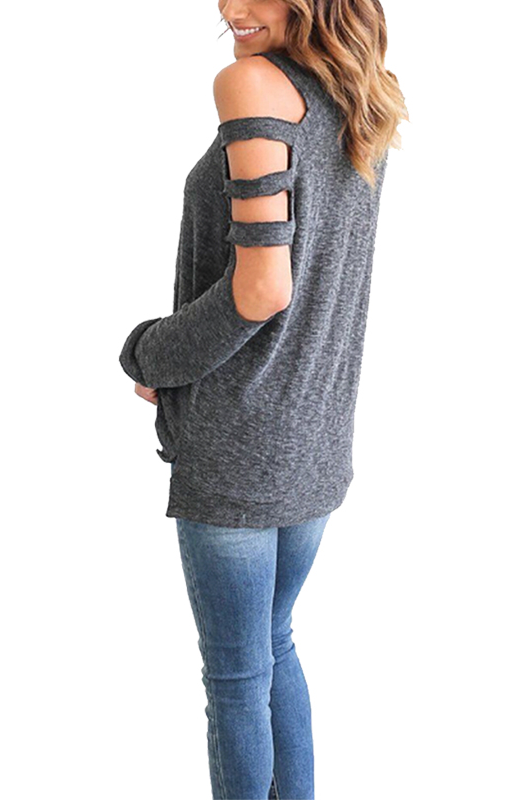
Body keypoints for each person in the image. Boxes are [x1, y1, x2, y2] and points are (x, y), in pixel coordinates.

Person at [119, 1, 408, 797]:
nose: (231, 9)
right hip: (316, 439)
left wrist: (150, 352)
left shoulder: (251, 85)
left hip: (241, 443)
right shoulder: (362, 92)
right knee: (273, 645)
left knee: (237, 678)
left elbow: (262, 289)